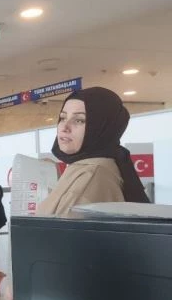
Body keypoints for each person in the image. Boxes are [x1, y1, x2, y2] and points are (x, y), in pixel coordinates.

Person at [37, 87, 148, 217]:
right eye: (63, 118)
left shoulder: (92, 175)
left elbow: (62, 227)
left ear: (101, 127)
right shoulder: (84, 166)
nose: (65, 127)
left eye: (79, 120)